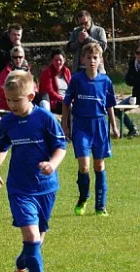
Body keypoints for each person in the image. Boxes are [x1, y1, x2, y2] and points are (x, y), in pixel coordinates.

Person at [0, 70, 67, 272]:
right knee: (32, 237)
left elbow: (61, 146)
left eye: (16, 100)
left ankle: (21, 264)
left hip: (46, 188)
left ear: (31, 96)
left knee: (36, 243)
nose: (11, 104)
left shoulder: (45, 119)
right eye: (8, 100)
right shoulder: (8, 121)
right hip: (20, 189)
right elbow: (2, 147)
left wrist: (52, 164)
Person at [62, 43, 119, 217]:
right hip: (81, 126)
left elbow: (109, 105)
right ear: (83, 60)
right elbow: (66, 103)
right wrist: (65, 125)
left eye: (95, 57)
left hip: (100, 126)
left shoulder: (105, 81)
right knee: (84, 166)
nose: (92, 61)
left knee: (99, 165)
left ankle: (100, 206)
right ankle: (83, 197)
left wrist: (114, 126)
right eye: (89, 57)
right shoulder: (77, 79)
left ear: (100, 59)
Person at [115, 42, 140, 138]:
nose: (139, 55)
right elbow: (128, 80)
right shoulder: (132, 64)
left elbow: (132, 80)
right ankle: (132, 128)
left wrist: (135, 80)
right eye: (138, 53)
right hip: (135, 96)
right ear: (135, 54)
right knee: (117, 109)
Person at [39, 48, 72, 115]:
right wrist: (62, 98)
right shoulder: (47, 72)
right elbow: (49, 91)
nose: (58, 62)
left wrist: (71, 97)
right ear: (52, 61)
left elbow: (71, 87)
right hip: (54, 101)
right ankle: (67, 125)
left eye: (60, 60)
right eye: (56, 60)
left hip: (66, 99)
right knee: (69, 107)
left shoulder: (67, 71)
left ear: (64, 60)